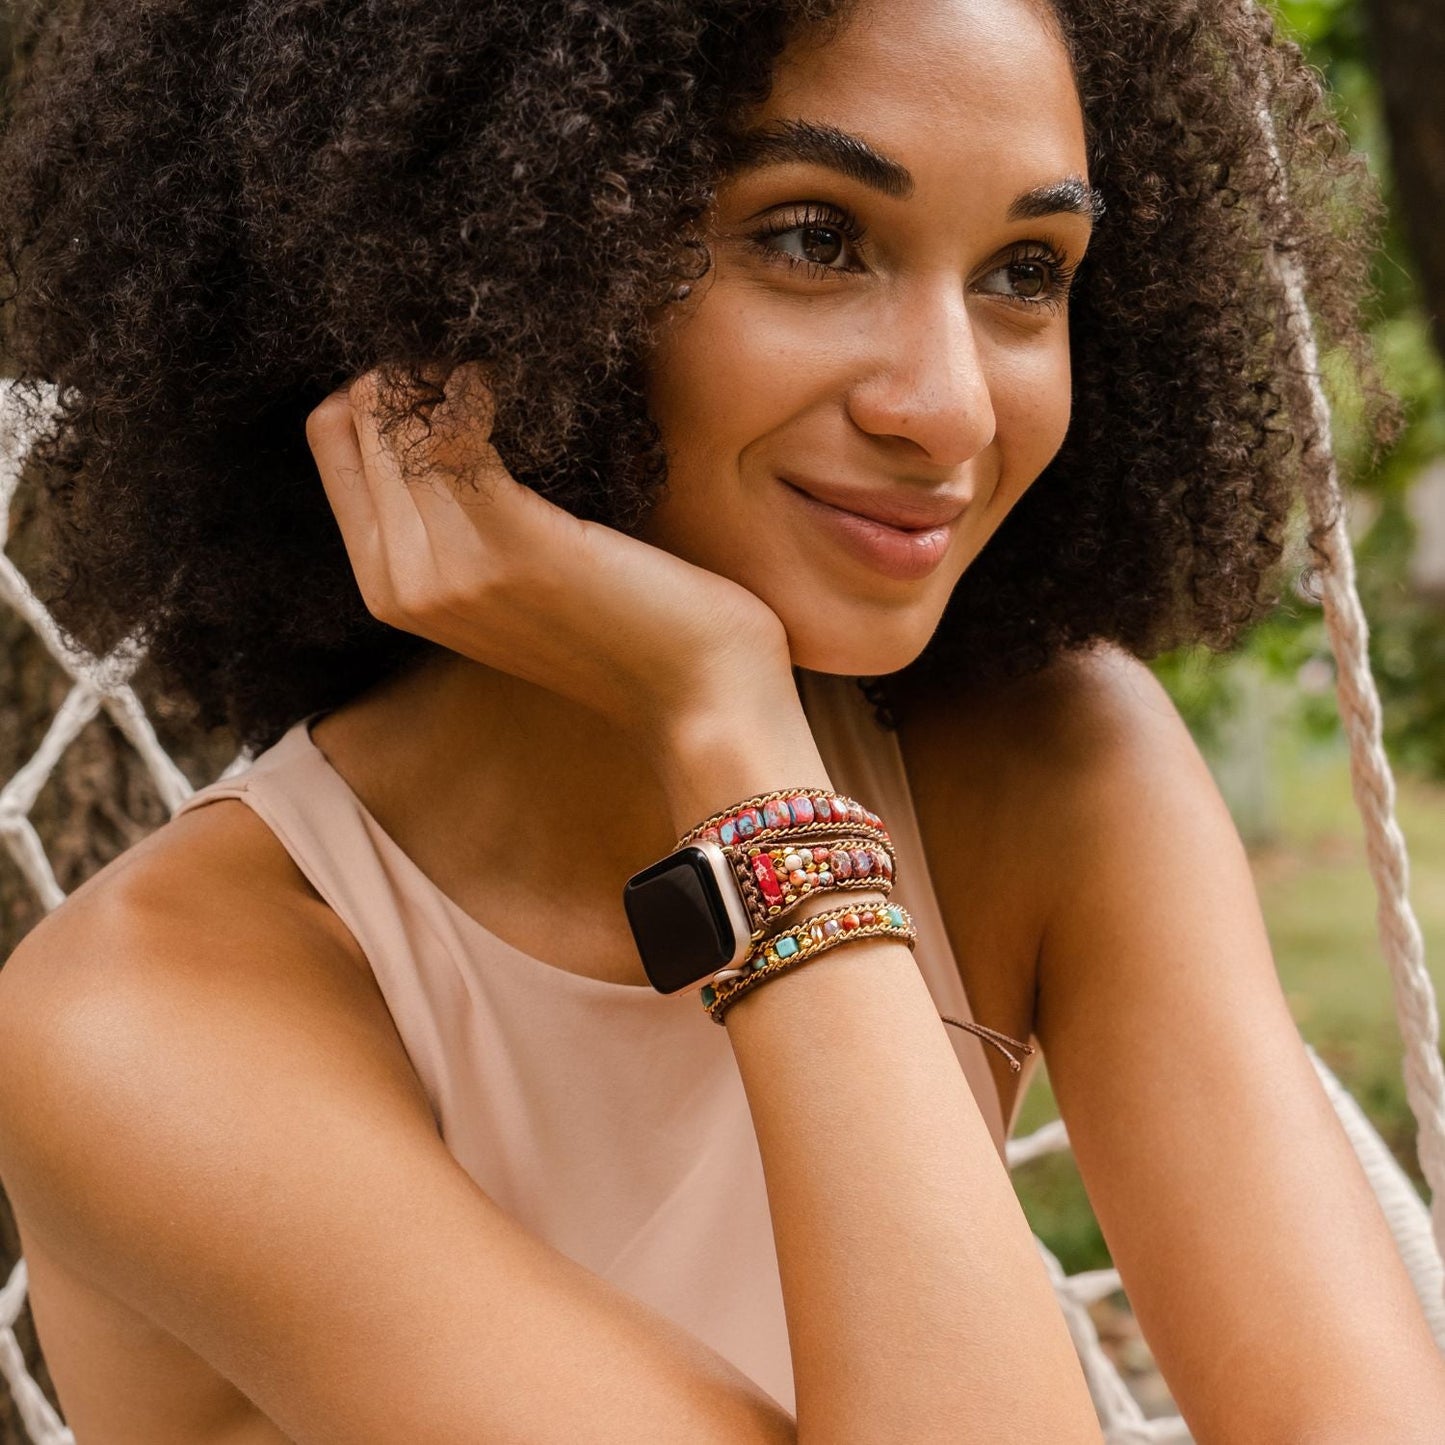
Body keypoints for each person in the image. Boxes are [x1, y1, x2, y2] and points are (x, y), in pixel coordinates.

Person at [0, 0, 1442, 1439]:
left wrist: (731, 731)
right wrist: (725, 719)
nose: (944, 408)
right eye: (814, 238)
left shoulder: (1050, 763)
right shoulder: (139, 1019)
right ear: (488, 250)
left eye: (1022, 270)